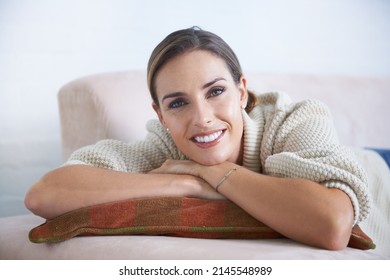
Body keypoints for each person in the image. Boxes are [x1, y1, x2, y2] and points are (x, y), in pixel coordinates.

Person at [25, 27, 371, 250]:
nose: (202, 118)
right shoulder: (165, 146)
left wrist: (215, 174)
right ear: (160, 114)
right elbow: (45, 194)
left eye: (216, 91)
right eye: (177, 103)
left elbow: (333, 224)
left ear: (241, 91)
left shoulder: (295, 118)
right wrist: (184, 184)